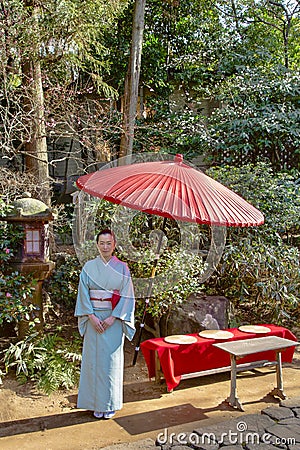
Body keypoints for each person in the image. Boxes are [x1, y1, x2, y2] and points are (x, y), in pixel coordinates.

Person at [75, 229, 135, 419]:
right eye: (102, 243)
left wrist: (114, 317)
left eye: (109, 243)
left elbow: (127, 295)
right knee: (93, 362)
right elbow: (83, 293)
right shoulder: (89, 267)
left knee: (111, 362)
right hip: (93, 319)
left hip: (113, 320)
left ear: (114, 245)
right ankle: (94, 404)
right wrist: (91, 317)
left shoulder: (123, 268)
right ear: (97, 245)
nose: (105, 246)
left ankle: (109, 403)